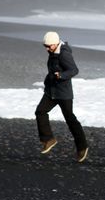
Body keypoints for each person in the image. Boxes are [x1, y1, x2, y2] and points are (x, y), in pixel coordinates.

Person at [35, 31, 89, 162]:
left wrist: (61, 75)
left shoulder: (64, 53)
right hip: (51, 91)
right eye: (45, 46)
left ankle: (82, 147)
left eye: (49, 46)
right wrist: (48, 79)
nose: (47, 49)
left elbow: (74, 70)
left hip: (63, 93)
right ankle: (48, 139)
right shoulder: (53, 52)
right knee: (40, 111)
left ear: (56, 43)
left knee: (70, 119)